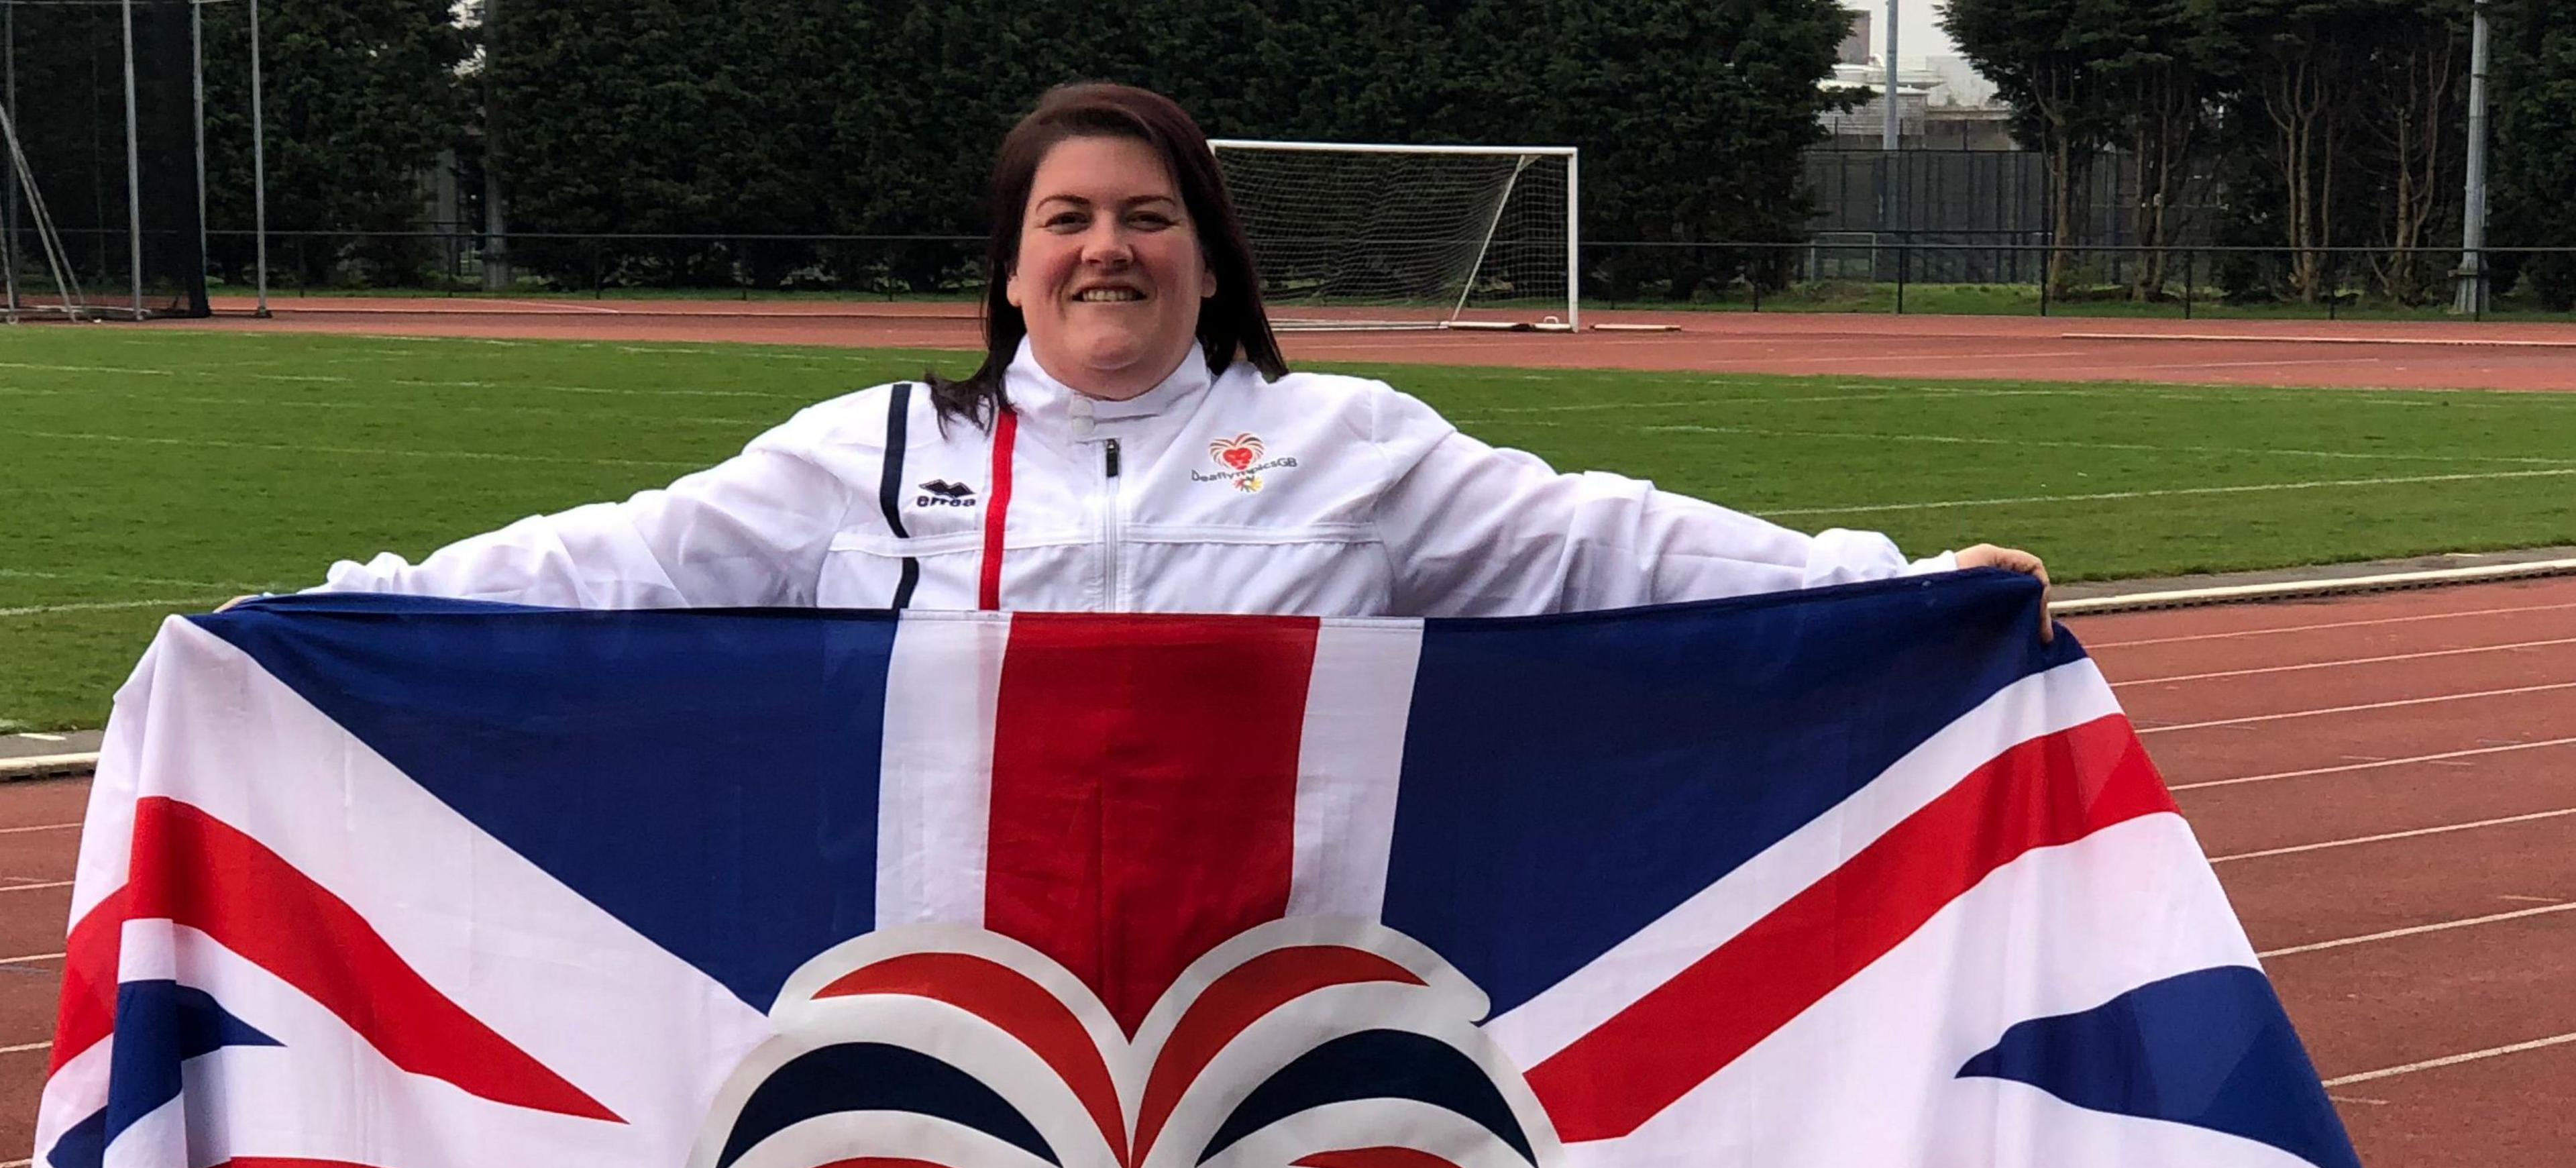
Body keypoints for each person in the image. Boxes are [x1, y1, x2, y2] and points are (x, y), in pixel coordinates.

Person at [305, 83, 2048, 625]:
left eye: (1145, 218)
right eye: (1064, 220)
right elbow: (619, 559)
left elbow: (1607, 542)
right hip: (972, 1004)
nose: (1105, 249)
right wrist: (356, 606)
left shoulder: (1353, 441)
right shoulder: (872, 453)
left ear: (1210, 262)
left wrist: (1891, 584)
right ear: (1008, 269)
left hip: (1278, 1006)